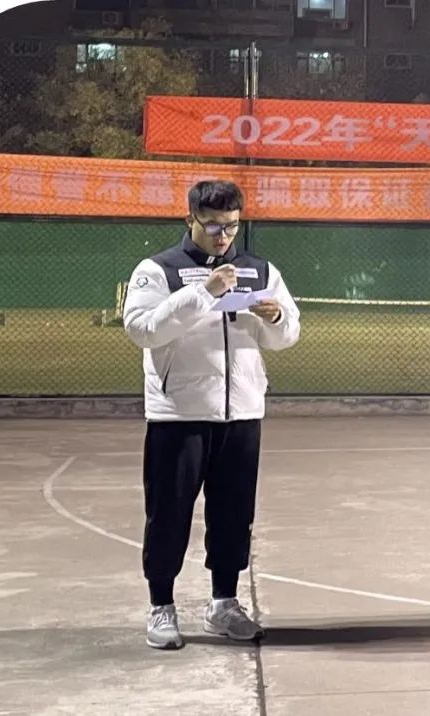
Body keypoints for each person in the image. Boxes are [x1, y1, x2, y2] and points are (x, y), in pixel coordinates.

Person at [122, 180, 302, 650]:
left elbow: (288, 335)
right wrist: (204, 292)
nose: (224, 236)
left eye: (232, 226)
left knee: (233, 515)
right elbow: (142, 330)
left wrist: (275, 318)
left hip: (241, 414)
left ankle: (224, 604)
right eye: (213, 226)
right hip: (178, 416)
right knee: (169, 515)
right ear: (191, 220)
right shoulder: (157, 270)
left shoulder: (260, 270)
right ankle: (161, 606)